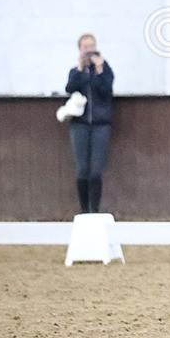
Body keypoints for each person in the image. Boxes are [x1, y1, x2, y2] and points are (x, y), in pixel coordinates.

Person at [64, 34, 114, 213]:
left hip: (101, 124)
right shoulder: (76, 71)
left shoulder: (105, 70)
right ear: (80, 49)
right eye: (85, 47)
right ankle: (84, 210)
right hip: (80, 124)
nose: (89, 50)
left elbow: (106, 90)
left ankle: (95, 210)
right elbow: (70, 88)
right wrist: (79, 68)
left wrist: (99, 69)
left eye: (92, 46)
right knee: (82, 169)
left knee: (96, 170)